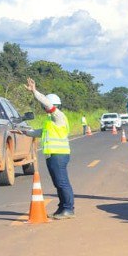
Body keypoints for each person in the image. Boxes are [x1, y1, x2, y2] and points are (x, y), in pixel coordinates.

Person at [24, 77, 75, 219]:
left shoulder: (58, 116)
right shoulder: (50, 121)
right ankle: (62, 207)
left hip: (59, 155)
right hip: (52, 155)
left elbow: (47, 104)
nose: (44, 109)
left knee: (62, 182)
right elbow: (40, 132)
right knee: (58, 183)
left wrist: (34, 91)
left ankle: (68, 209)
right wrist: (24, 132)